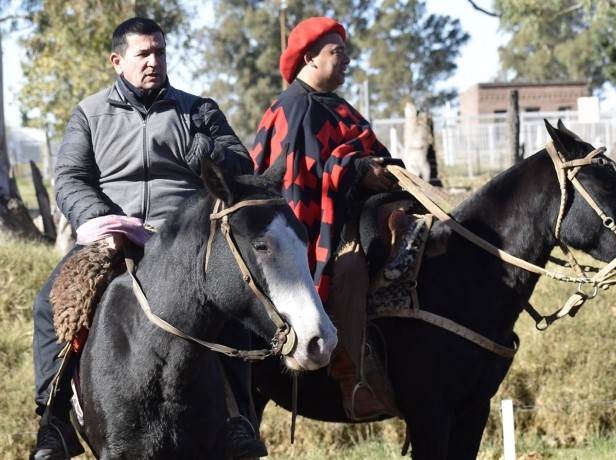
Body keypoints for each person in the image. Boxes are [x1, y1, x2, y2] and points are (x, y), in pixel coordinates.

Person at [30, 18, 267, 460]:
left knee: (234, 302)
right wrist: (104, 221)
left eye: (159, 51)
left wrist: (203, 148)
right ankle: (55, 421)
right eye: (143, 54)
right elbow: (70, 178)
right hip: (113, 235)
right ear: (118, 61)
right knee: (49, 305)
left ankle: (237, 419)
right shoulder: (89, 113)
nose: (154, 61)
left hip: (189, 241)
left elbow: (243, 166)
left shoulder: (199, 110)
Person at [250, 16, 397, 421]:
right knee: (350, 269)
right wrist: (354, 170)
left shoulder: (341, 108)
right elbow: (293, 190)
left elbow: (363, 153)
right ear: (311, 57)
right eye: (338, 51)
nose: (347, 59)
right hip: (306, 231)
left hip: (354, 214)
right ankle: (354, 378)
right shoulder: (291, 110)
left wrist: (373, 169)